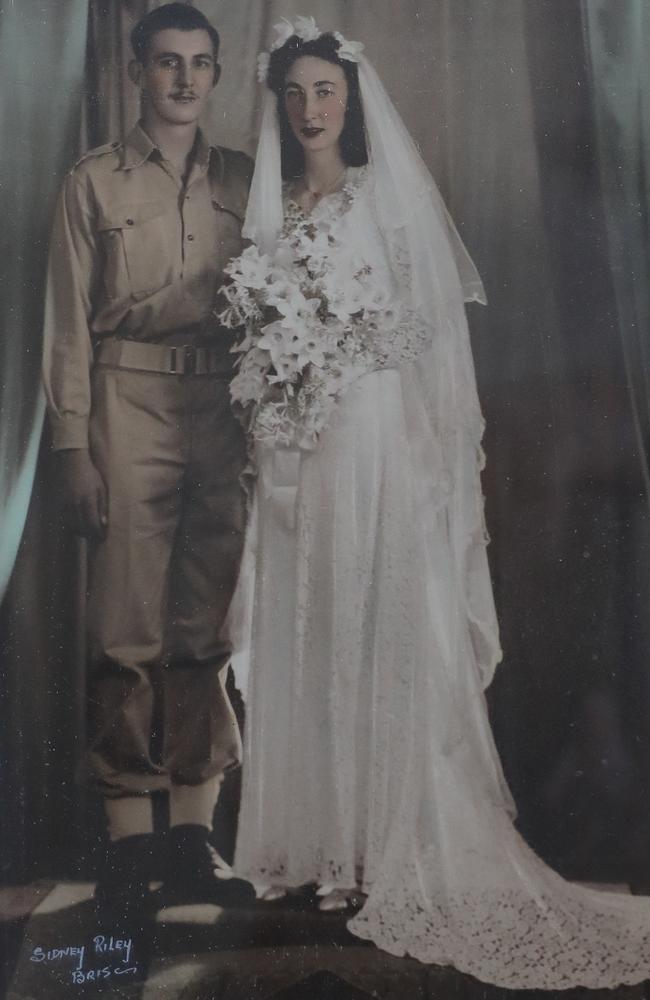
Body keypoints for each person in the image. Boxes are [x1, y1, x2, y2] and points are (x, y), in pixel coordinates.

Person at [224, 18, 650, 990]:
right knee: (310, 625)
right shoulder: (274, 206)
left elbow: (424, 342)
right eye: (293, 95)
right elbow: (255, 338)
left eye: (324, 91)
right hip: (299, 449)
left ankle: (382, 847)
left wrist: (397, 431)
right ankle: (319, 849)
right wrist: (280, 376)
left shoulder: (383, 201)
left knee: (376, 629)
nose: (309, 110)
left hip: (373, 440)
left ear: (352, 98)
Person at [42, 3, 255, 914]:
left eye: (199, 65)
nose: (182, 80)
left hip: (221, 410)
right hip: (125, 406)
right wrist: (72, 448)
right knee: (126, 630)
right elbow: (65, 331)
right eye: (166, 63)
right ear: (137, 72)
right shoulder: (92, 183)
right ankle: (131, 841)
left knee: (204, 630)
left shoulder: (247, 180)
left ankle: (193, 835)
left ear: (215, 74)